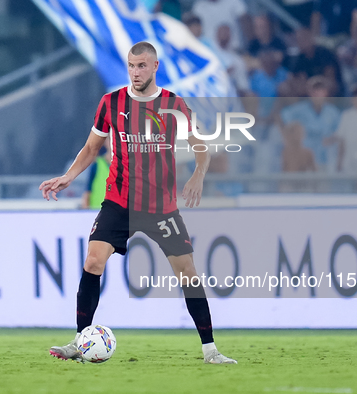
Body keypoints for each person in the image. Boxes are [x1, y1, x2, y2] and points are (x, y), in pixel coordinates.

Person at [40, 42, 237, 364]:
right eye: (131, 66)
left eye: (142, 66)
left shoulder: (173, 104)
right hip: (119, 202)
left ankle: (210, 350)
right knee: (93, 262)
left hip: (160, 205)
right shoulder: (111, 103)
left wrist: (199, 175)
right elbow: (91, 149)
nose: (135, 72)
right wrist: (68, 177)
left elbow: (201, 146)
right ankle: (79, 341)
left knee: (187, 273)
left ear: (155, 67)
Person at [281, 77, 341, 171]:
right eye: (314, 91)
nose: (317, 94)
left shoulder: (333, 112)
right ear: (309, 92)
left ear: (325, 93)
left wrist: (331, 139)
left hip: (325, 159)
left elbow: (339, 133)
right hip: (304, 161)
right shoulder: (298, 110)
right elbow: (283, 116)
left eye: (320, 90)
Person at [325, 86, 357, 173]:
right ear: (353, 99)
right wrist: (339, 161)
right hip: (349, 160)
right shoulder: (347, 115)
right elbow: (341, 139)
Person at [287, 28, 345, 97]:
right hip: (308, 89)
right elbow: (296, 78)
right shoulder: (299, 58)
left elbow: (330, 78)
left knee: (326, 87)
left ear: (311, 37)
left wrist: (313, 83)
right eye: (299, 39)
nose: (302, 41)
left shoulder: (324, 53)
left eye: (304, 38)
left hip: (326, 87)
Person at [81, 143, 111, 210]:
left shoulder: (126, 164)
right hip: (96, 210)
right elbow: (88, 189)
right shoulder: (97, 164)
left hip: (118, 212)